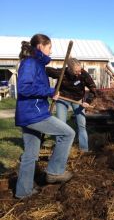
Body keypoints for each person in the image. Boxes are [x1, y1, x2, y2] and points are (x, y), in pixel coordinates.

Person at [15, 34, 75, 199]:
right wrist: (50, 91)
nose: (51, 50)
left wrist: (49, 93)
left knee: (30, 154)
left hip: (30, 113)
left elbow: (34, 87)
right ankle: (55, 172)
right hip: (34, 114)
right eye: (49, 47)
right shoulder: (30, 63)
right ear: (40, 46)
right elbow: (24, 88)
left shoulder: (37, 64)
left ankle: (23, 191)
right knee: (68, 133)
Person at [46, 58, 96, 152]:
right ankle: (61, 150)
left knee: (81, 125)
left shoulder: (83, 74)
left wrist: (88, 101)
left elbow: (93, 88)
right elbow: (47, 70)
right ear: (69, 69)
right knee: (61, 124)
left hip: (78, 99)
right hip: (62, 98)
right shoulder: (62, 73)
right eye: (76, 71)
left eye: (79, 70)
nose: (79, 73)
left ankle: (84, 149)